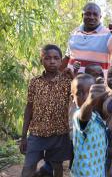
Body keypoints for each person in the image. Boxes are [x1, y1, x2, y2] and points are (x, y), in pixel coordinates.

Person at [19, 44, 72, 177]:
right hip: (37, 133)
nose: (52, 61)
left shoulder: (67, 81)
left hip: (59, 133)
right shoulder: (34, 82)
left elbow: (79, 98)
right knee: (28, 167)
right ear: (41, 60)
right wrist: (23, 136)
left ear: (61, 61)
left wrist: (73, 77)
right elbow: (29, 108)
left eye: (56, 58)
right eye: (47, 58)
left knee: (57, 167)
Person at [61, 2, 112, 74]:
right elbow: (67, 58)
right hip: (72, 83)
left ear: (100, 17)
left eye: (95, 14)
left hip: (97, 84)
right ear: (82, 15)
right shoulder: (74, 33)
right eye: (88, 14)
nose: (91, 17)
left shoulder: (109, 35)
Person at [70, 73, 108, 177]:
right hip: (85, 173)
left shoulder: (96, 114)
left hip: (98, 170)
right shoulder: (79, 114)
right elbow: (84, 116)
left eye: (90, 92)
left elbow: (105, 112)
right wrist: (89, 101)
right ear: (72, 97)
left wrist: (101, 96)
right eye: (80, 93)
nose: (86, 96)